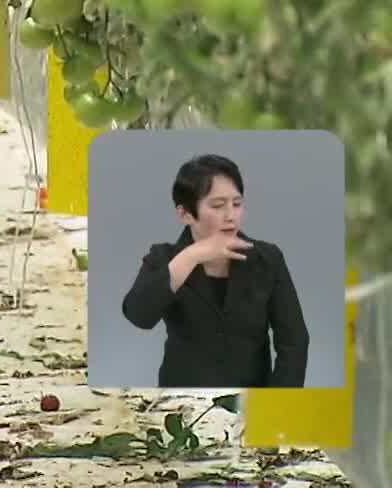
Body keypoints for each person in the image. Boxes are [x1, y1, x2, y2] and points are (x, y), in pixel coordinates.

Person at [120, 154, 310, 388]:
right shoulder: (165, 258)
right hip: (181, 398)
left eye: (237, 204)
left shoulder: (267, 259)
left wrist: (280, 401)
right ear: (185, 214)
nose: (231, 216)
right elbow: (139, 315)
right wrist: (193, 255)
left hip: (251, 397)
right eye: (218, 206)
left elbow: (294, 340)